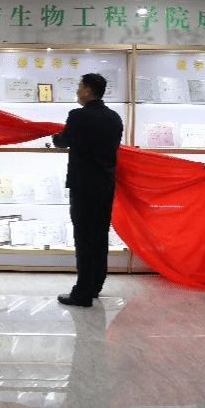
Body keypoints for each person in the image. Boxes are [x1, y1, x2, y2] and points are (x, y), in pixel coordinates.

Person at [52, 73, 123, 307]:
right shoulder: (114, 118)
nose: (77, 91)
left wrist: (55, 135)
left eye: (79, 87)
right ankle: (95, 286)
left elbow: (63, 141)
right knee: (100, 237)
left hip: (83, 186)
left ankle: (81, 293)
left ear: (88, 90)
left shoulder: (78, 116)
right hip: (105, 185)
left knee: (83, 239)